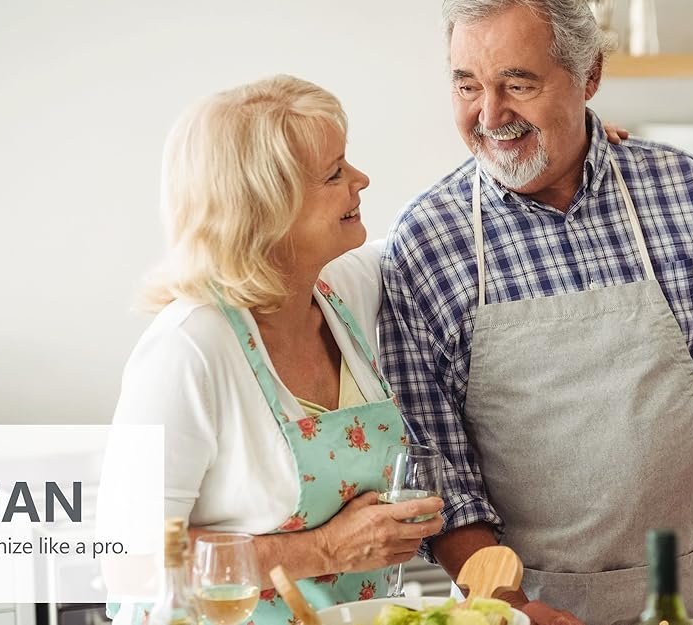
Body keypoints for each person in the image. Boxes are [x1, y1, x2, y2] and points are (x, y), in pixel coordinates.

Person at [379, 2, 693, 624]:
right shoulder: (428, 241)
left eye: (519, 84)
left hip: (691, 596)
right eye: (467, 85)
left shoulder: (682, 191)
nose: (490, 114)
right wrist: (508, 606)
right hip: (528, 606)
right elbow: (440, 471)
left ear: (589, 75)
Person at [109, 75, 445, 625]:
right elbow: (132, 562)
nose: (361, 179)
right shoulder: (188, 348)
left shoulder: (339, 291)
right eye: (335, 174)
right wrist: (325, 549)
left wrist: (571, 148)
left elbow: (434, 225)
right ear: (267, 211)